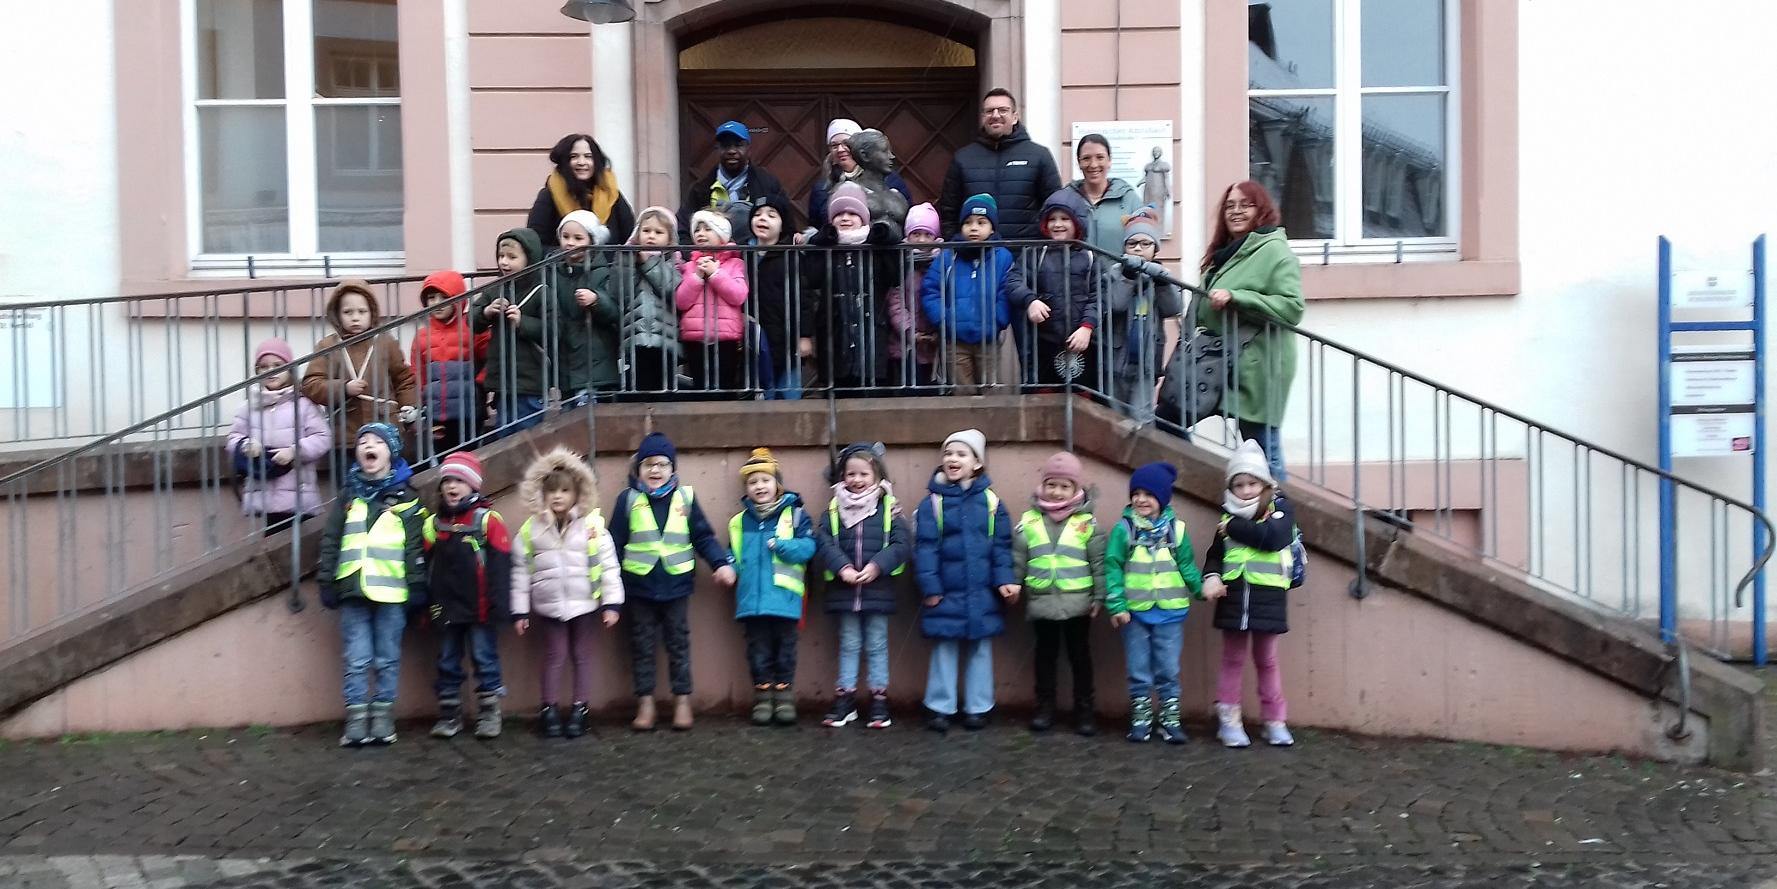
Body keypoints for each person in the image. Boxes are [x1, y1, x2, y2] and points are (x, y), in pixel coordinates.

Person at [608, 432, 737, 731]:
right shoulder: (628, 500)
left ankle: (682, 701)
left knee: (678, 644)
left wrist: (720, 564)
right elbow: (612, 543)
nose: (655, 471)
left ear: (673, 469)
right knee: (641, 646)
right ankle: (646, 703)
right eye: (648, 464)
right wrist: (608, 583)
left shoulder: (686, 498)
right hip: (639, 586)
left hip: (676, 586)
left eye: (662, 464)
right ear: (637, 469)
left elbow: (703, 536)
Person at [317, 422, 429, 747]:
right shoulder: (349, 496)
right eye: (362, 441)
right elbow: (332, 539)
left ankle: (382, 715)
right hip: (352, 590)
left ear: (391, 453)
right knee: (356, 656)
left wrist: (417, 584)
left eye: (376, 442)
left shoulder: (407, 497)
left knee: (387, 656)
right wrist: (327, 579)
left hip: (393, 592)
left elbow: (414, 545)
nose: (368, 446)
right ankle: (356, 716)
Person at [511, 447, 624, 740]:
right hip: (549, 605)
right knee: (554, 655)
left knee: (581, 655)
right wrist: (520, 610)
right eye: (552, 491)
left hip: (585, 603)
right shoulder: (530, 530)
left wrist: (612, 604)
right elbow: (520, 571)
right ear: (542, 494)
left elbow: (609, 566)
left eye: (565, 490)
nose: (558, 496)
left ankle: (579, 709)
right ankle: (548, 709)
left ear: (578, 493)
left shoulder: (592, 527)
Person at [1196, 181, 1304, 481]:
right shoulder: (1226, 252)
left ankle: (1282, 518)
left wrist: (1237, 297)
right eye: (1230, 205)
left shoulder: (1274, 251)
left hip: (1260, 361)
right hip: (1224, 358)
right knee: (1171, 414)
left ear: (1261, 210)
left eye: (1245, 204)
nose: (1236, 211)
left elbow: (1292, 307)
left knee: (1262, 447)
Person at [915, 429, 1014, 733]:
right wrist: (930, 588)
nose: (952, 459)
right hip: (947, 592)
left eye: (961, 454)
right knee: (945, 647)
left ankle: (978, 706)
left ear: (977, 463)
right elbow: (925, 548)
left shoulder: (992, 502)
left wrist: (1005, 580)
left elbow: (1002, 547)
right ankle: (940, 706)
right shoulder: (932, 503)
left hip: (982, 591)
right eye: (948, 454)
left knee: (979, 649)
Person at [1202, 440, 1299, 748]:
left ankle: (1274, 720)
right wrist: (1211, 577)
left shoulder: (1280, 508)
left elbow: (1272, 538)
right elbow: (1215, 553)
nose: (1245, 490)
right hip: (1233, 597)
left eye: (1252, 483)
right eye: (1239, 484)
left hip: (1268, 598)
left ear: (1264, 483)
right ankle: (1228, 720)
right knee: (1232, 659)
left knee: (1267, 660)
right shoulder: (1226, 516)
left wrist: (1232, 527)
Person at [1104, 461, 1201, 745]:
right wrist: (1117, 605)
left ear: (1162, 498)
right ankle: (1141, 718)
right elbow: (1113, 567)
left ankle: (1170, 720)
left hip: (1170, 614)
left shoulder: (1177, 531)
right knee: (1138, 669)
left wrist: (1201, 590)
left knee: (1168, 669)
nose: (1140, 499)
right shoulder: (1124, 531)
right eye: (1136, 494)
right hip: (1135, 615)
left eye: (1148, 494)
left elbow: (1187, 566)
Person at [815, 442, 909, 729]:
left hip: (877, 589)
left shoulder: (889, 509)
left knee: (877, 645)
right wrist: (842, 567)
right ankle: (846, 699)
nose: (856, 480)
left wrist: (876, 567)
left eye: (863, 474)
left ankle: (879, 699)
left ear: (877, 476)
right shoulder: (833, 509)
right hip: (844, 590)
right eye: (850, 474)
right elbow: (824, 543)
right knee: (849, 644)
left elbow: (902, 544)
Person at [1011, 451, 1105, 736]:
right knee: (1045, 656)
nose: (1056, 491)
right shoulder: (1028, 521)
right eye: (1051, 484)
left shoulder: (1087, 523)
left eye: (1065, 486)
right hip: (1042, 601)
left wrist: (1099, 597)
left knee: (1080, 656)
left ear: (1076, 489)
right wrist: (1013, 584)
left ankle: (1085, 709)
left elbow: (1098, 563)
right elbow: (1018, 557)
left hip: (1078, 603)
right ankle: (1045, 707)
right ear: (1043, 485)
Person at [422, 452, 513, 741]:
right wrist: (427, 606)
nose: (452, 486)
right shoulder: (433, 524)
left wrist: (500, 606)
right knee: (447, 660)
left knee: (484, 658)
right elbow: (426, 567)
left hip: (480, 608)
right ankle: (450, 714)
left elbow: (500, 566)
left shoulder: (488, 520)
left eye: (459, 481)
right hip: (446, 608)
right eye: (447, 480)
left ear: (473, 486)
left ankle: (489, 713)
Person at [729, 448, 818, 726]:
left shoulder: (795, 515)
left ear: (777, 484)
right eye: (753, 482)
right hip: (752, 602)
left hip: (785, 600)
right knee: (758, 652)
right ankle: (763, 699)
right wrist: (729, 569)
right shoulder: (739, 522)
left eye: (765, 480)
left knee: (785, 651)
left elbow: (808, 548)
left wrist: (782, 546)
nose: (759, 487)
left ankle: (784, 698)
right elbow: (733, 553)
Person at [300, 280, 419, 479]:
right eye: (348, 312)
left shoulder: (385, 341)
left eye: (362, 312)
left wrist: (408, 406)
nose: (355, 318)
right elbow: (311, 384)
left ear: (372, 312)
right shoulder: (328, 346)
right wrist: (343, 388)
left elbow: (403, 378)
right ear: (337, 314)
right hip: (346, 436)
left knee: (389, 486)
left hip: (384, 432)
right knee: (349, 493)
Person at [919, 194, 1034, 395]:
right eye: (968, 222)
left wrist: (997, 320)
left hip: (988, 339)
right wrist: (944, 320)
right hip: (954, 339)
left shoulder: (1002, 256)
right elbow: (931, 290)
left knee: (989, 392)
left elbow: (1006, 291)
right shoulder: (947, 256)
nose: (974, 228)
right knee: (962, 393)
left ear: (992, 228)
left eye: (981, 223)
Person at [803, 182, 904, 391]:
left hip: (872, 339)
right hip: (835, 339)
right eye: (839, 214)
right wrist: (817, 245)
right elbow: (811, 279)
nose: (845, 218)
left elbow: (894, 276)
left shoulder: (873, 247)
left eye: (852, 213)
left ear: (863, 218)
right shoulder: (827, 248)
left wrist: (887, 243)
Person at [228, 338, 330, 534]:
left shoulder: (304, 404)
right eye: (264, 367)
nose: (271, 371)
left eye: (278, 365)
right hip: (265, 488)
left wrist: (294, 451)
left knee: (300, 546)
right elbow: (233, 437)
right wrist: (245, 445)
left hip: (298, 490)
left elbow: (322, 437)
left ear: (290, 369)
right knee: (274, 544)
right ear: (257, 371)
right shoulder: (249, 407)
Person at [938, 89, 1063, 242]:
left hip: (1026, 257)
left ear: (1015, 117)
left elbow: (1055, 207)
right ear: (983, 117)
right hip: (977, 259)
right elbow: (949, 211)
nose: (996, 115)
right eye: (990, 111)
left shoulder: (1039, 155)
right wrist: (956, 247)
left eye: (1003, 110)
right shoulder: (963, 158)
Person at [474, 227, 554, 436]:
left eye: (512, 257)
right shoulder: (495, 289)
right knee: (505, 434)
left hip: (530, 381)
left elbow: (554, 328)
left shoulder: (542, 290)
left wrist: (523, 322)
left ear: (530, 258)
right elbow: (471, 320)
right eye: (501, 256)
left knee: (529, 435)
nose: (504, 262)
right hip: (502, 382)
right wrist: (486, 311)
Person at [1107, 207, 1183, 412]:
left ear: (1155, 248)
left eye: (1145, 244)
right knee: (1116, 417)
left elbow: (1172, 308)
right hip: (1117, 359)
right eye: (1132, 244)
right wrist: (1128, 278)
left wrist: (1162, 282)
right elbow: (1116, 305)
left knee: (1142, 416)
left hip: (1147, 361)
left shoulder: (1162, 275)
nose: (1138, 249)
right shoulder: (1115, 273)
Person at [1026, 189, 1102, 389]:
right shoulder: (1036, 254)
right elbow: (1014, 280)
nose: (1057, 224)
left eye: (1065, 218)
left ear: (1077, 222)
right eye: (1052, 219)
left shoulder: (1090, 257)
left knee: (1083, 397)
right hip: (1046, 342)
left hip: (1082, 341)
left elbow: (1099, 297)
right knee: (1047, 397)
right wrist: (1030, 300)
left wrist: (1087, 327)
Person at [409, 271, 489, 454]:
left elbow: (491, 358)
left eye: (444, 297)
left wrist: (479, 384)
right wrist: (418, 403)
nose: (437, 303)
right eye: (431, 297)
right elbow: (417, 373)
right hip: (436, 415)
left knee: (469, 458)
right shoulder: (422, 336)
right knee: (442, 459)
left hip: (469, 412)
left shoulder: (473, 327)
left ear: (458, 299)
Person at [747, 194, 815, 399]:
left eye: (771, 215)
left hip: (787, 338)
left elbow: (803, 298)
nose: (762, 219)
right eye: (757, 214)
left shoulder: (790, 255)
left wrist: (804, 336)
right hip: (758, 336)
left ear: (783, 223)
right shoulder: (745, 254)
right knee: (762, 392)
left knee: (788, 393)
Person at [550, 210, 623, 400]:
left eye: (578, 238)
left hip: (596, 363)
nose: (570, 243)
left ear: (591, 241)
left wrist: (597, 300)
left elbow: (616, 313)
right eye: (565, 237)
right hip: (567, 361)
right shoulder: (553, 272)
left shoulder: (602, 271)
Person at [676, 210, 751, 394]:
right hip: (695, 337)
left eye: (707, 228)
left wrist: (716, 274)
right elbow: (681, 301)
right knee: (701, 386)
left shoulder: (735, 264)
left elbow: (738, 295)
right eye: (698, 229)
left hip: (725, 338)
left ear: (722, 236)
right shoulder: (690, 266)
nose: (701, 233)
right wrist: (697, 277)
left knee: (725, 385)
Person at [678, 120, 788, 242]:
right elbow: (683, 229)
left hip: (757, 259)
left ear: (748, 148)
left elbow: (787, 227)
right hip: (710, 260)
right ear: (717, 149)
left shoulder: (768, 184)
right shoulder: (699, 190)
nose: (731, 151)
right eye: (725, 145)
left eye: (738, 145)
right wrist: (695, 257)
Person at [616, 206, 683, 395]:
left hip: (664, 339)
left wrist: (648, 263)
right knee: (637, 387)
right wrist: (630, 263)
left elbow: (672, 289)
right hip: (635, 337)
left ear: (670, 240)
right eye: (646, 231)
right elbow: (620, 293)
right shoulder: (626, 260)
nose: (651, 236)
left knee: (665, 388)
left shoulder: (674, 263)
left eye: (658, 232)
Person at [528, 133, 636, 249]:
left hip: (610, 266)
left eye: (588, 156)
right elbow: (536, 243)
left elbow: (630, 237)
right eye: (574, 156)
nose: (582, 162)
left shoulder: (611, 194)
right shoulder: (549, 196)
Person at [808, 118, 911, 231]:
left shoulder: (892, 181)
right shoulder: (824, 186)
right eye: (834, 146)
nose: (840, 149)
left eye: (846, 144)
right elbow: (818, 223)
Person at [886, 202, 944, 392]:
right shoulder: (901, 264)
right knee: (908, 393)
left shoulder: (942, 264)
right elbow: (895, 302)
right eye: (916, 234)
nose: (921, 240)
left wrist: (938, 330)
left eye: (927, 234)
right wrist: (910, 330)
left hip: (934, 346)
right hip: (905, 346)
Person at [1067, 134, 1144, 258]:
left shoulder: (1129, 200)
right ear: (1079, 162)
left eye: (1100, 157)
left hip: (1118, 277)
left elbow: (1144, 243)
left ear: (1109, 161)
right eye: (1086, 158)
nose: (1093, 164)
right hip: (1076, 277)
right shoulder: (1066, 200)